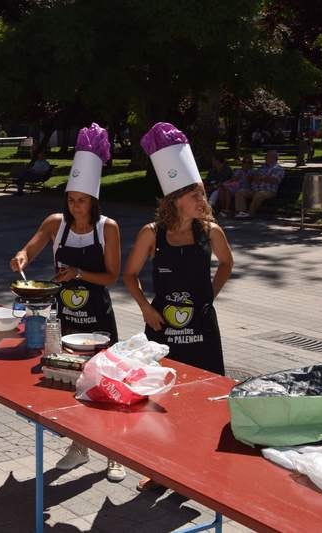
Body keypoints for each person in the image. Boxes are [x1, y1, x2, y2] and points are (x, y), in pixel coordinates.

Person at [10, 123, 126, 483]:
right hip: (65, 319)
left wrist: (78, 273)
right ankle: (79, 446)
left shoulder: (108, 228)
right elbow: (30, 249)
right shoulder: (55, 224)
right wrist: (21, 257)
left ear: (94, 201)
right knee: (69, 383)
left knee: (104, 384)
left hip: (98, 319)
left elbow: (111, 276)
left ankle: (114, 453)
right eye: (72, 200)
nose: (76, 206)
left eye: (82, 200)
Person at [124, 122, 233, 490]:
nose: (203, 200)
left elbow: (227, 264)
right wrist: (146, 309)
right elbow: (129, 275)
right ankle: (161, 471)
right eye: (195, 194)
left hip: (202, 330)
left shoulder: (211, 231)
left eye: (202, 193)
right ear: (175, 200)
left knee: (205, 398)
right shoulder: (151, 233)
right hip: (163, 331)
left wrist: (210, 295)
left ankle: (200, 467)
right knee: (161, 399)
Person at [234, 150, 284, 218]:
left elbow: (275, 180)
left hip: (268, 191)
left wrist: (261, 178)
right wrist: (253, 177)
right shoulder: (262, 167)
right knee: (240, 192)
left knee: (259, 194)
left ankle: (250, 213)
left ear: (274, 158)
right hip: (255, 189)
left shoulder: (278, 169)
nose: (265, 158)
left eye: (267, 156)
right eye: (266, 156)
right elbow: (255, 176)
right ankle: (241, 212)